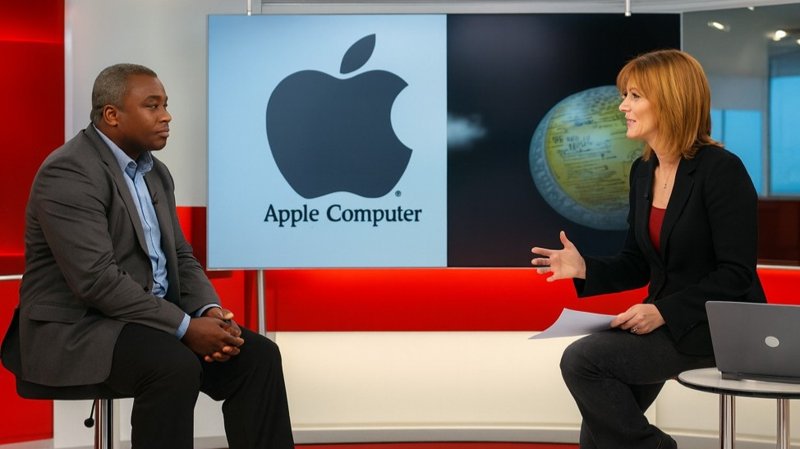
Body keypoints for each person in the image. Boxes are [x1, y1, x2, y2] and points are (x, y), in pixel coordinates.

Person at [0, 63, 294, 449]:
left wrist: (208, 313)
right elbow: (97, 281)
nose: (166, 116)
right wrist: (186, 328)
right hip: (79, 328)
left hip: (146, 321)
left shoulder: (156, 172)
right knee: (173, 365)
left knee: (258, 357)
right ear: (112, 115)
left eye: (165, 105)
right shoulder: (69, 172)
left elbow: (181, 256)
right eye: (152, 106)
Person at [530, 49, 766, 449]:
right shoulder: (643, 171)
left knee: (583, 360)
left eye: (634, 96)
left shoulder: (721, 170)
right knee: (600, 434)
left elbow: (736, 274)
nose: (623, 106)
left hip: (716, 330)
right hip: (667, 325)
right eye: (625, 95)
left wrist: (662, 311)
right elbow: (638, 263)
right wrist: (585, 268)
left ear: (671, 100)